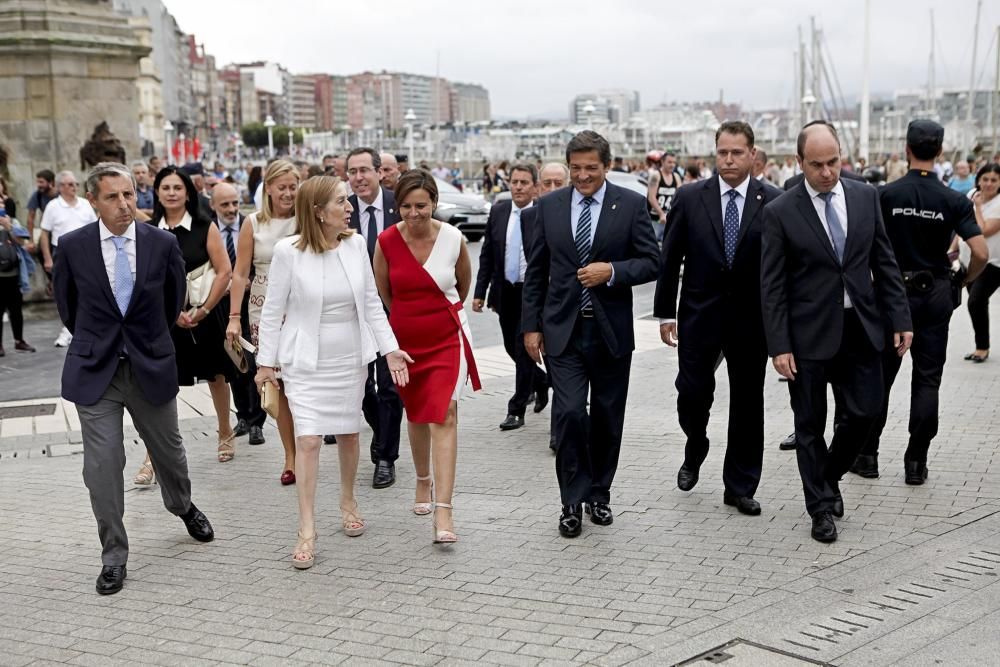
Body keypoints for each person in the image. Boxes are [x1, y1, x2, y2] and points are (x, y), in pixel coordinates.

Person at [54, 162, 214, 596]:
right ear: (93, 201)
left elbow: (171, 298)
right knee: (103, 466)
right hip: (96, 372)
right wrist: (103, 339)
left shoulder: (160, 243)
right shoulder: (72, 246)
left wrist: (143, 340)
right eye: (113, 197)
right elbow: (67, 307)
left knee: (170, 454)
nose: (125, 204)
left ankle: (182, 506)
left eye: (129, 195)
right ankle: (113, 556)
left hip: (149, 365)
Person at [761, 121, 912, 543]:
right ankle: (821, 508)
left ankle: (825, 476)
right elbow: (771, 286)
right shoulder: (780, 212)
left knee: (865, 412)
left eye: (834, 162)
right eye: (817, 165)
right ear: (800, 163)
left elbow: (884, 261)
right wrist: (779, 345)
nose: (827, 172)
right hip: (807, 335)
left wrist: (901, 318)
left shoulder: (866, 196)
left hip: (862, 327)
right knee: (809, 424)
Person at [255, 175, 412, 569]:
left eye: (347, 201)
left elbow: (372, 303)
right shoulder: (288, 252)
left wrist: (390, 350)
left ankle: (347, 499)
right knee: (307, 440)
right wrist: (265, 363)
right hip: (305, 359)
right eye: (341, 201)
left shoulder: (356, 244)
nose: (349, 207)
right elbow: (273, 311)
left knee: (347, 431)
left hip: (349, 357)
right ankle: (306, 527)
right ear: (317, 211)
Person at [522, 131, 659, 539]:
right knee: (568, 415)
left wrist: (612, 272)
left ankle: (599, 493)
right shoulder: (547, 206)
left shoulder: (630, 204)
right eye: (576, 168)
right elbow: (535, 272)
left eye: (591, 169)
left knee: (606, 417)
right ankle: (570, 501)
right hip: (563, 330)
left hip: (610, 331)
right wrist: (530, 326)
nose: (583, 176)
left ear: (607, 166)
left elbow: (652, 261)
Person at [655, 121, 783, 516]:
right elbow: (670, 256)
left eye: (737, 153)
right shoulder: (691, 198)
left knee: (747, 402)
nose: (729, 159)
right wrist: (664, 312)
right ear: (715, 153)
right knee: (691, 394)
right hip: (699, 315)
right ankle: (696, 445)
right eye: (722, 152)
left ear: (752, 155)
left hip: (750, 320)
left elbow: (781, 267)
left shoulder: (773, 201)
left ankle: (740, 485)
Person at [852, 120, 989, 484]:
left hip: (891, 296)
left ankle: (867, 455)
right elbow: (980, 251)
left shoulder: (885, 195)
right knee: (928, 380)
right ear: (940, 152)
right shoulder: (953, 200)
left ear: (907, 149)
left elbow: (862, 248)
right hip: (934, 295)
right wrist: (964, 279)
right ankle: (916, 463)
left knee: (880, 378)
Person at [373, 169, 481, 544]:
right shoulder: (386, 241)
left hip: (447, 338)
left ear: (434, 203)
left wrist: (438, 314)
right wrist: (402, 329)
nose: (414, 213)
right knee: (417, 414)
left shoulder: (453, 238)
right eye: (405, 206)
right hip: (406, 343)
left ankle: (445, 510)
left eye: (421, 205)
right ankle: (422, 481)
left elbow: (463, 284)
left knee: (444, 414)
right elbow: (384, 293)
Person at [131, 165, 235, 487]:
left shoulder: (205, 226)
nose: (172, 193)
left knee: (217, 375)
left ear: (188, 192)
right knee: (163, 387)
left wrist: (203, 310)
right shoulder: (148, 231)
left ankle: (224, 432)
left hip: (206, 313)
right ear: (157, 193)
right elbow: (145, 279)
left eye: (178, 187)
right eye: (166, 188)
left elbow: (224, 271)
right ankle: (152, 455)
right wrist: (172, 311)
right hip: (167, 319)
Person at [227, 159, 301, 484]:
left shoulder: (307, 219)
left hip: (301, 309)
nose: (287, 193)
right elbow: (240, 273)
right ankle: (291, 455)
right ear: (268, 188)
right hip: (264, 312)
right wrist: (233, 318)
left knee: (303, 383)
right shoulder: (253, 223)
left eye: (292, 187)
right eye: (281, 187)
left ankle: (309, 443)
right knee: (278, 386)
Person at [473, 162, 549, 431]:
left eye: (524, 183)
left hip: (533, 294)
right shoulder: (499, 210)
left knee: (523, 347)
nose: (517, 187)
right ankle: (541, 382)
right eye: (514, 182)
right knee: (510, 346)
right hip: (506, 292)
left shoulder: (543, 214)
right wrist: (480, 292)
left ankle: (516, 409)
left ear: (535, 187)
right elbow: (488, 255)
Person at [347, 148, 404, 488]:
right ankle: (381, 432)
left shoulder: (401, 205)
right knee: (363, 386)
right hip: (352, 310)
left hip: (393, 307)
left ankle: (385, 457)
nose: (358, 178)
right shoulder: (342, 209)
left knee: (390, 384)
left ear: (380, 172)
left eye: (364, 170)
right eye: (352, 171)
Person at [213, 182, 266, 446]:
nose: (232, 209)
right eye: (225, 204)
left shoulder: (251, 226)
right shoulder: (210, 231)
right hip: (221, 304)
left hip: (251, 301)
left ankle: (257, 422)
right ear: (213, 206)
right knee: (234, 359)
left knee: (255, 359)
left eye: (235, 203)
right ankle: (243, 415)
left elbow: (263, 262)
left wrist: (247, 280)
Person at [40, 170, 98, 347]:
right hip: (62, 252)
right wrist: (47, 258)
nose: (75, 187)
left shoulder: (85, 204)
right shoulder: (53, 206)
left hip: (86, 252)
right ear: (60, 187)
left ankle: (84, 327)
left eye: (76, 184)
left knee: (87, 289)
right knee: (64, 291)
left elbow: (95, 227)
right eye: (70, 184)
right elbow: (44, 234)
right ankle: (67, 328)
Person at [959, 163, 1000, 363]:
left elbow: (982, 229)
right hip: (969, 260)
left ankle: (982, 348)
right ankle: (981, 345)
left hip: (993, 262)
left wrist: (976, 207)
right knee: (978, 304)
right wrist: (952, 248)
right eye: (985, 179)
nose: (988, 184)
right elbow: (960, 225)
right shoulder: (971, 194)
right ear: (978, 180)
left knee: (975, 302)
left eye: (994, 180)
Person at [0, 206, 35, 356]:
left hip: (14, 275)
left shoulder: (12, 221)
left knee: (16, 310)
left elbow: (23, 241)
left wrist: (9, 227)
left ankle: (19, 341)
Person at [647, 151, 681, 244]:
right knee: (653, 245)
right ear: (662, 161)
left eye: (674, 162)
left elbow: (679, 197)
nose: (672, 165)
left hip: (669, 219)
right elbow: (651, 197)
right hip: (655, 219)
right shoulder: (656, 175)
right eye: (669, 162)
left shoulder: (676, 177)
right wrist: (661, 213)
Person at [26, 169, 57, 244]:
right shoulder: (38, 195)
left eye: (41, 182)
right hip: (47, 230)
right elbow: (30, 218)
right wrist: (31, 240)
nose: (38, 185)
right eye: (38, 182)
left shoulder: (61, 195)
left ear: (51, 183)